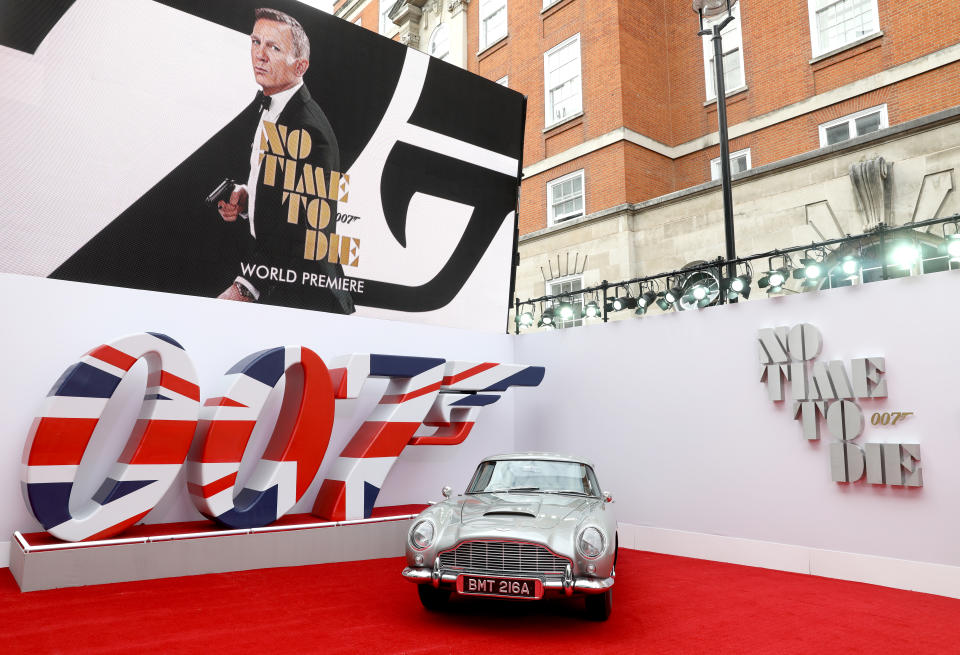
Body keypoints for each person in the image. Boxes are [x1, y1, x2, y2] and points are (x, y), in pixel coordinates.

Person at [217, 8, 353, 314]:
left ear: (300, 65)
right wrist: (246, 199)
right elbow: (280, 194)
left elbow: (300, 230)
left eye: (274, 48)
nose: (259, 55)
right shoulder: (269, 102)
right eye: (256, 42)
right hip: (276, 285)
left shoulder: (308, 129)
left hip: (303, 299)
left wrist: (245, 288)